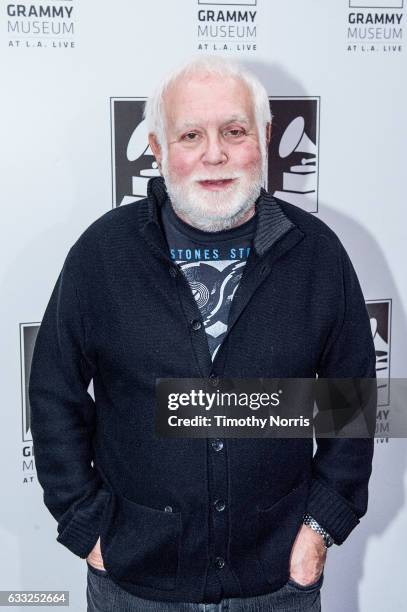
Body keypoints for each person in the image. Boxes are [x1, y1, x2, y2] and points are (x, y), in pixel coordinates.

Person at [29, 56, 376, 612]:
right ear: (159, 149)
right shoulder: (102, 255)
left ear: (262, 138)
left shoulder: (318, 255)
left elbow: (350, 406)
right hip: (132, 584)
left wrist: (318, 530)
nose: (214, 153)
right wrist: (88, 529)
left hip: (278, 583)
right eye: (190, 135)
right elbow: (52, 395)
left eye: (234, 132)